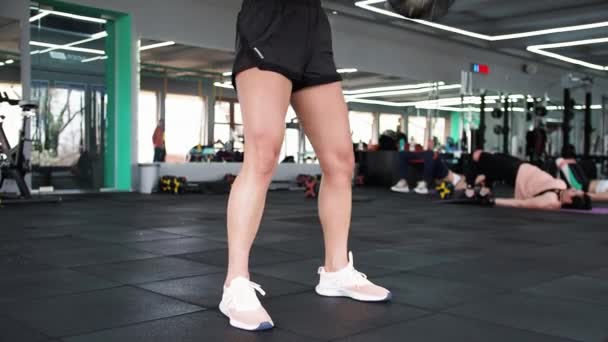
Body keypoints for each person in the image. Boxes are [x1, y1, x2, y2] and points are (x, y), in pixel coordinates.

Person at [221, 0, 390, 332]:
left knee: (341, 162)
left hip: (312, 25)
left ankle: (336, 270)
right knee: (264, 152)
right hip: (269, 17)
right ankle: (235, 283)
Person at [465, 150, 591, 210]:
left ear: (569, 200)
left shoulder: (550, 201)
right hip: (522, 166)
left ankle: (468, 187)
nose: (573, 189)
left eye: (574, 192)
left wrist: (493, 201)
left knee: (477, 155)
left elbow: (521, 204)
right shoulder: (562, 186)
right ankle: (485, 186)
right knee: (495, 157)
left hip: (514, 173)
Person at [391, 150, 464, 194]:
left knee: (429, 153)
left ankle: (423, 184)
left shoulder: (456, 182)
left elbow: (438, 184)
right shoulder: (457, 178)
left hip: (437, 173)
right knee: (403, 154)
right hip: (439, 171)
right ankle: (403, 182)